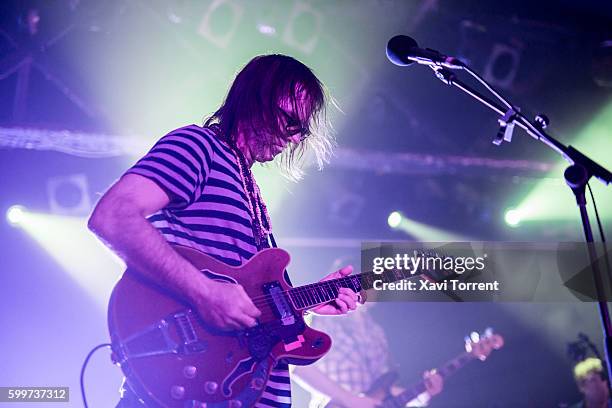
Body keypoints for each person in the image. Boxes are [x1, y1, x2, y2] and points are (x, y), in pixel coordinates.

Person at [88, 54, 361, 408]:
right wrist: (204, 292)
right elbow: (112, 216)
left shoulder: (247, 187)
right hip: (187, 381)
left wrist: (301, 306)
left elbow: (243, 305)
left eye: (301, 130)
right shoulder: (199, 147)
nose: (293, 139)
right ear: (255, 98)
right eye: (290, 121)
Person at [293, 258, 443, 408]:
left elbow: (381, 391)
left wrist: (422, 393)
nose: (379, 286)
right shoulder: (320, 319)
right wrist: (349, 399)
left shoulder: (375, 331)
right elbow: (296, 364)